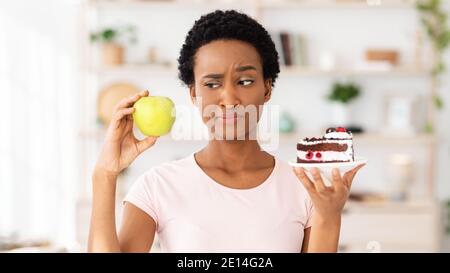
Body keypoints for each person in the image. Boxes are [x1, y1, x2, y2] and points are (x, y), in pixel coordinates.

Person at [88, 10, 365, 253]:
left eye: (245, 81)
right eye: (212, 84)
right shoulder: (157, 187)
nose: (230, 99)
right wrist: (104, 174)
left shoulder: (303, 187)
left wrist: (329, 216)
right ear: (194, 94)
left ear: (267, 88)